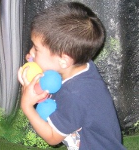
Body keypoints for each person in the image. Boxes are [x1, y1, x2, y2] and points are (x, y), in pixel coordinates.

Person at [18, 2, 126, 150]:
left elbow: (52, 137)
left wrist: (27, 106)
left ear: (64, 60)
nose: (29, 54)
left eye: (36, 49)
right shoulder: (81, 64)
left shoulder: (75, 95)